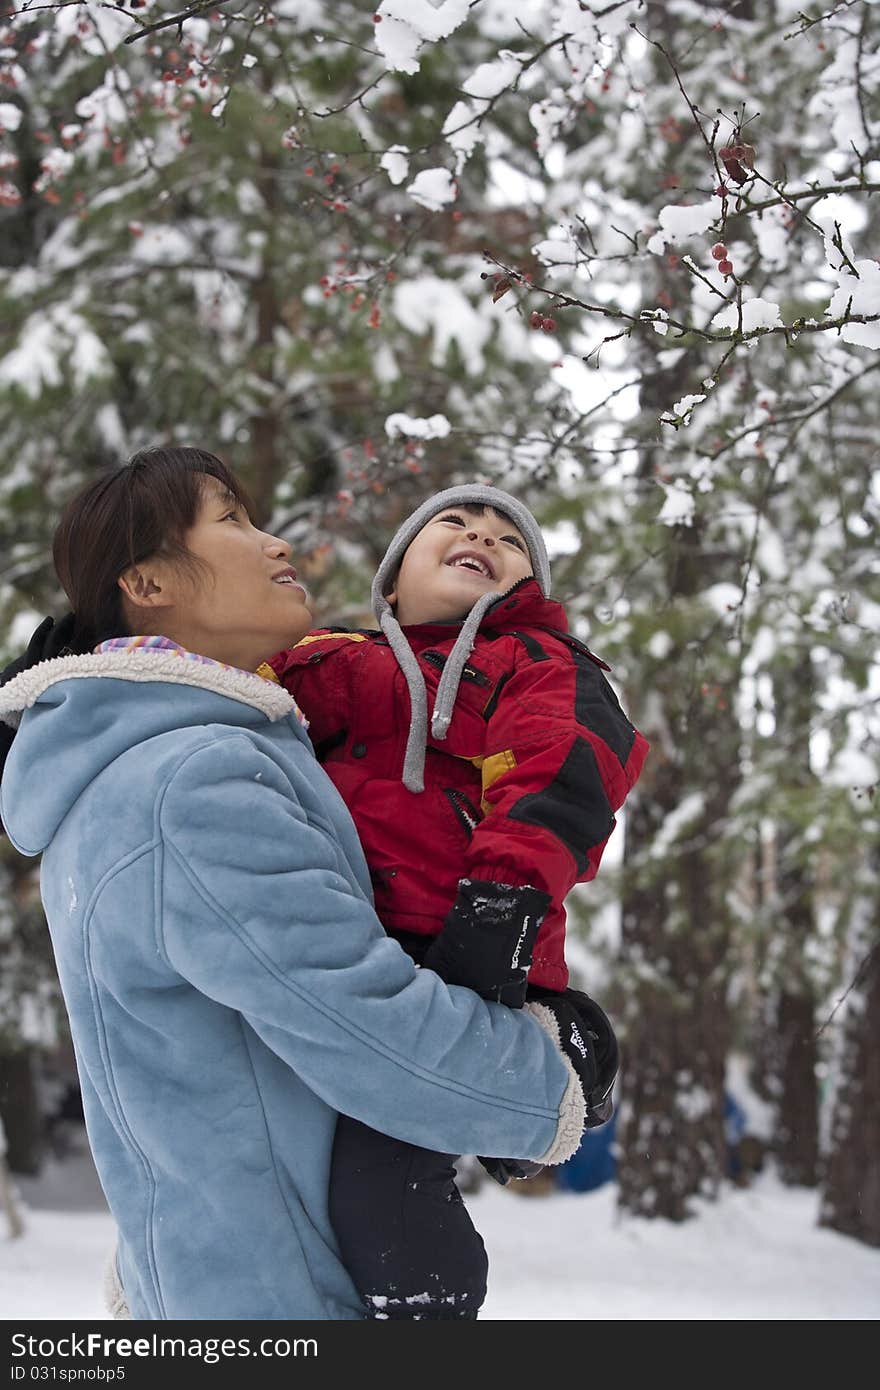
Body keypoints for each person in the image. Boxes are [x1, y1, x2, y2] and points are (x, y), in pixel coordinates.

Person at [0, 449, 612, 1322]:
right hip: (290, 1294)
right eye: (233, 520)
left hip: (228, 1272)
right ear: (148, 581)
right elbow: (366, 1026)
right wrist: (556, 1079)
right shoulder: (196, 779)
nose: (276, 541)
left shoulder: (131, 764)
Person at [270, 484, 650, 1319]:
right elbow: (206, 689)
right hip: (329, 943)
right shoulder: (327, 657)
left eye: (509, 539)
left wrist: (500, 901)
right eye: (454, 522)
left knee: (383, 1179)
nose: (481, 533)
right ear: (394, 581)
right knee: (280, 1169)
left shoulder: (538, 661)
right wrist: (90, 674)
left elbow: (561, 765)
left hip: (460, 946)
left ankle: (428, 1306)